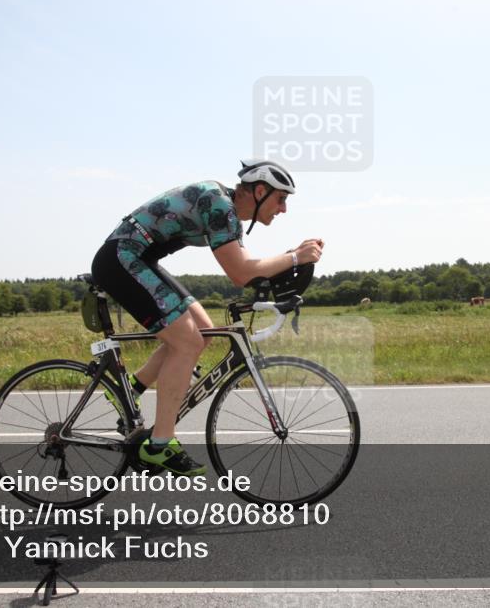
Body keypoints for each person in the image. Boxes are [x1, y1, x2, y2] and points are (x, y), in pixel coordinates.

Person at [90, 159, 324, 476]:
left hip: (136, 259)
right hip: (122, 260)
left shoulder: (225, 212)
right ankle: (160, 445)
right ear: (259, 191)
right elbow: (240, 273)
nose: (283, 209)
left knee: (205, 330)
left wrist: (290, 259)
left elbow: (247, 266)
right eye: (280, 199)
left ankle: (131, 388)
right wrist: (294, 257)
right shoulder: (218, 205)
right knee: (186, 343)